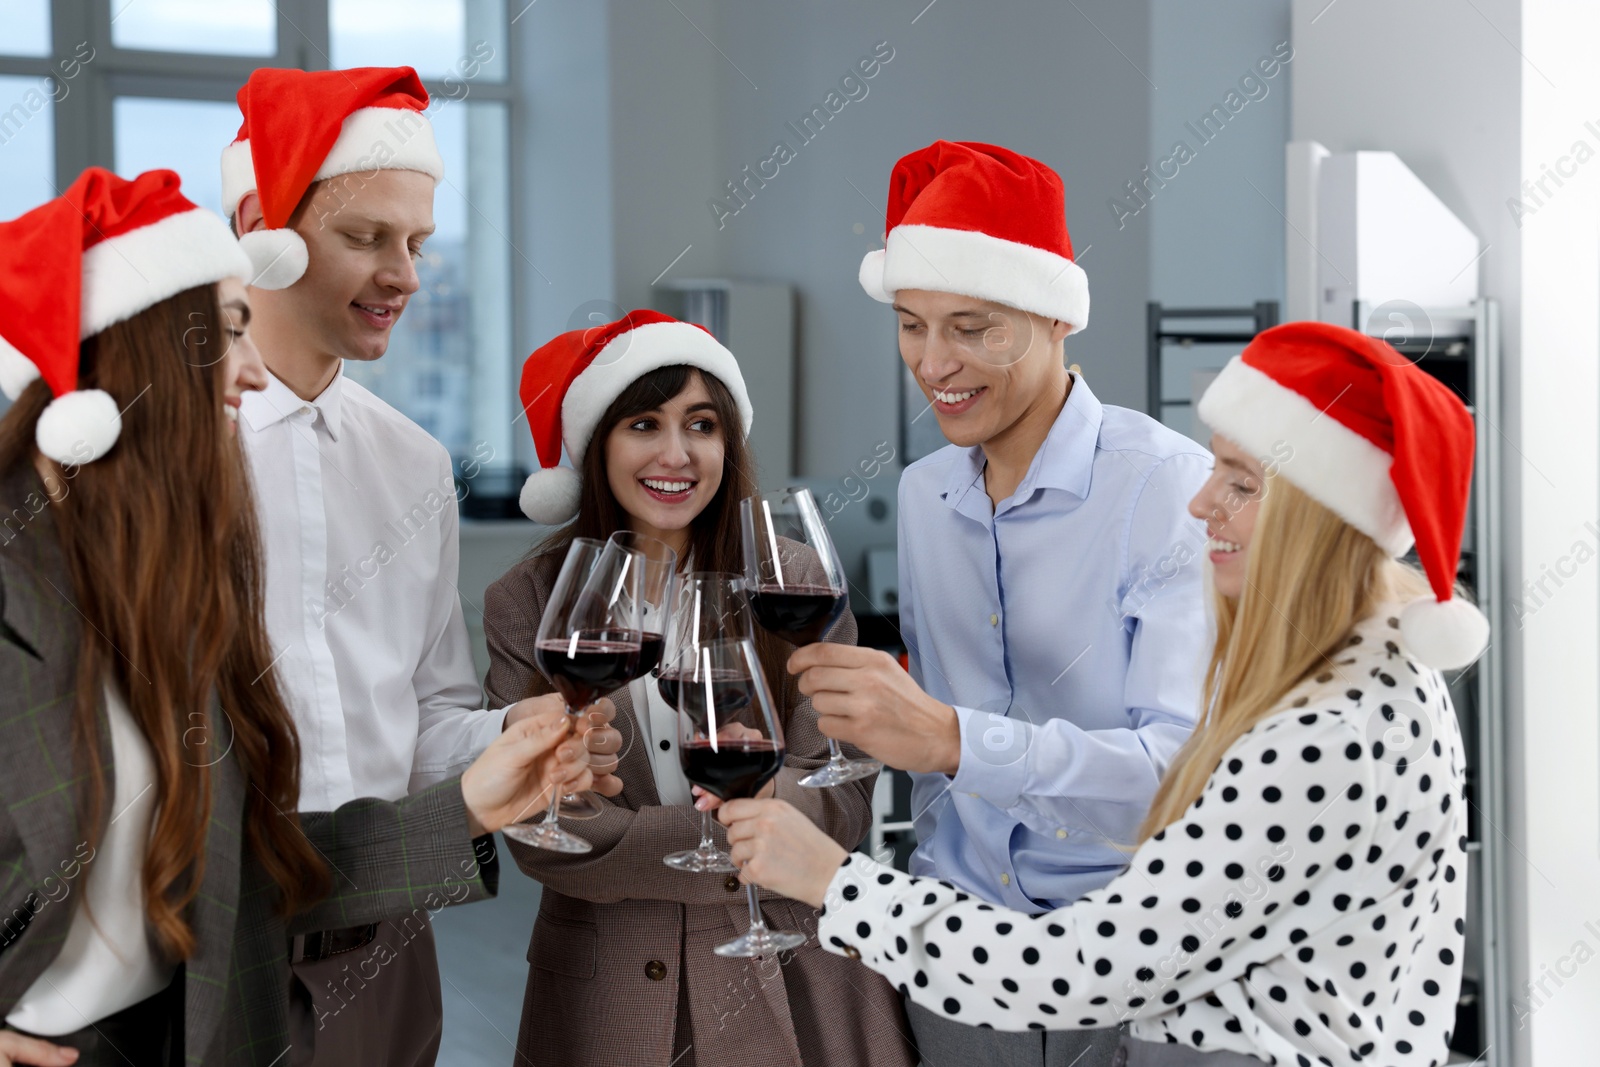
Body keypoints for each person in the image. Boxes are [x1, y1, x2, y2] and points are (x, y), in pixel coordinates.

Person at [721, 321, 1487, 1067]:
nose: (1199, 503)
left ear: (1319, 518)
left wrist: (835, 881)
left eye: (1241, 483)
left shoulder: (1322, 731)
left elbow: (1072, 970)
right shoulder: (1382, 678)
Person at [0, 168, 597, 1067]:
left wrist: (470, 803)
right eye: (230, 333)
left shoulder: (171, 599)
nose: (250, 369)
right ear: (143, 353)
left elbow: (241, 877)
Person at [770, 140, 1211, 1065]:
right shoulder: (931, 495)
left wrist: (954, 738)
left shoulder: (1167, 489)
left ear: (1056, 317)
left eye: (973, 326)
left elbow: (1185, 778)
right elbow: (935, 771)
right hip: (957, 963)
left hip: (1125, 970)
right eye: (911, 324)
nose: (934, 363)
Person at [220, 67, 622, 1065]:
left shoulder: (411, 461)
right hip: (208, 933)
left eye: (417, 243)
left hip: (390, 926)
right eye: (367, 237)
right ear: (257, 226)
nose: (405, 273)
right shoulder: (156, 450)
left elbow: (427, 713)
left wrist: (510, 735)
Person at [482, 310, 918, 1067]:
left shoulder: (797, 581)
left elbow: (842, 800)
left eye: (702, 424)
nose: (676, 454)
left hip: (796, 975)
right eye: (644, 423)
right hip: (608, 995)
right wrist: (754, 831)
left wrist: (773, 805)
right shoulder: (531, 599)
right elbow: (547, 831)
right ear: (597, 447)